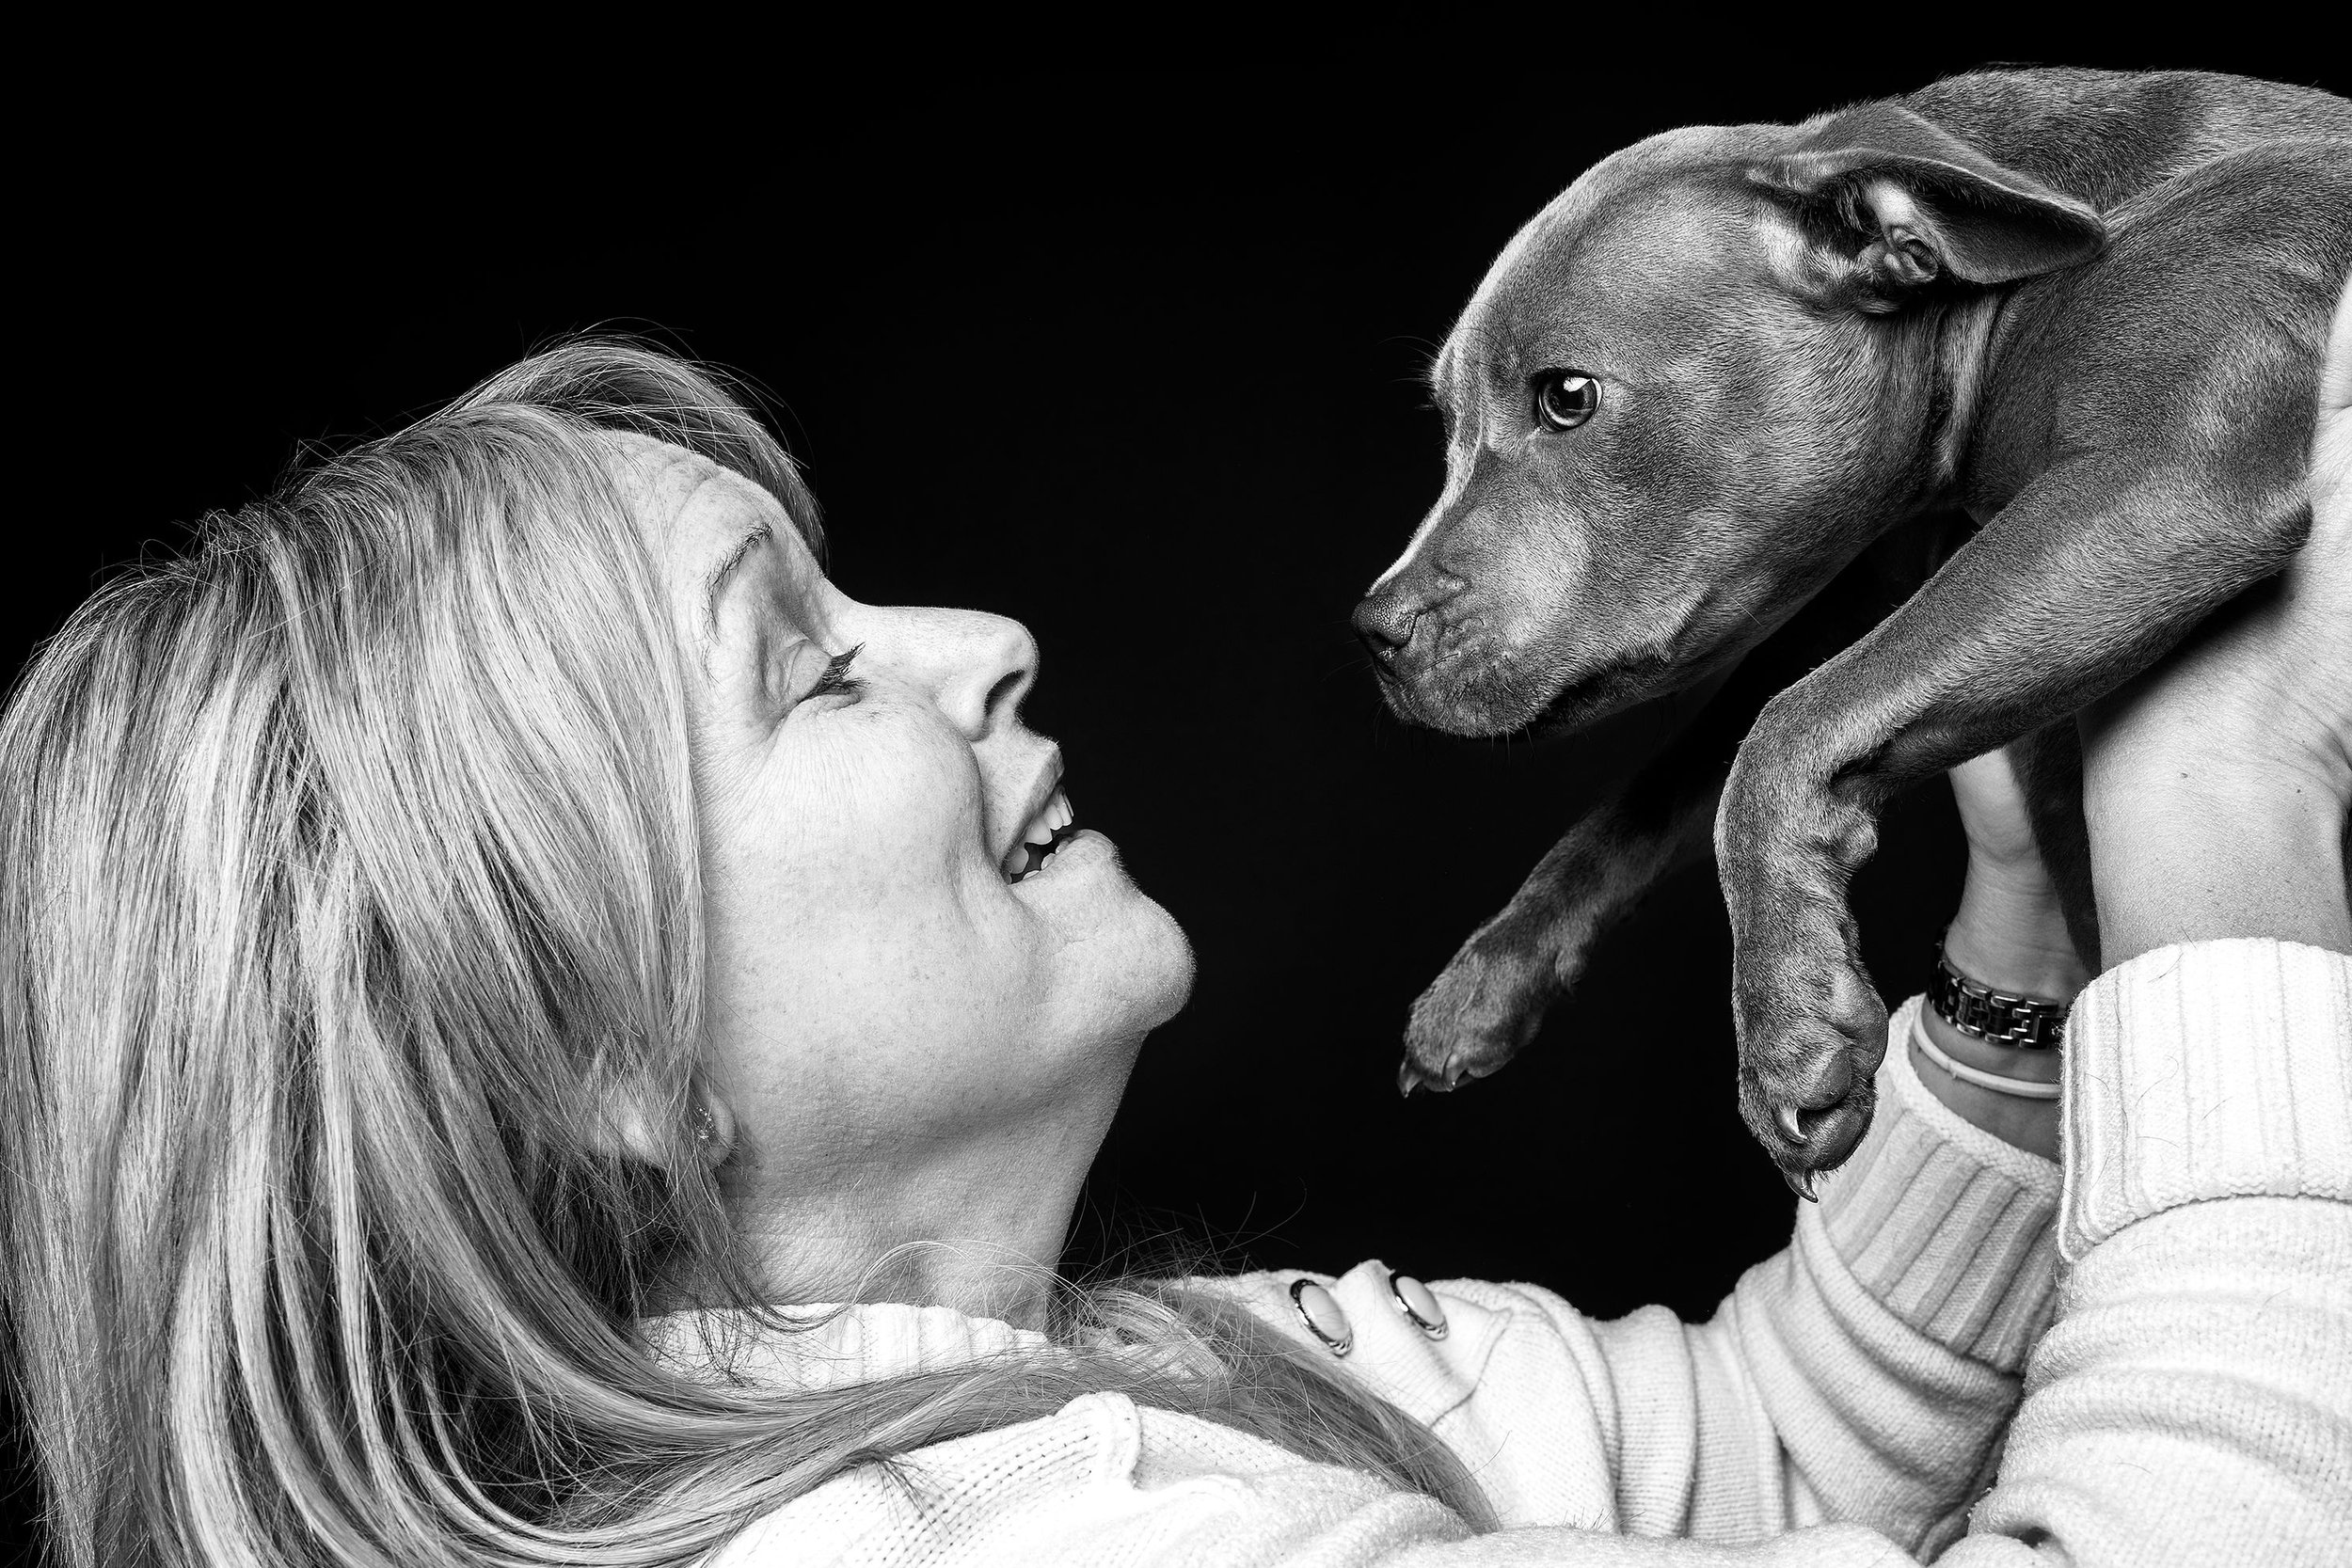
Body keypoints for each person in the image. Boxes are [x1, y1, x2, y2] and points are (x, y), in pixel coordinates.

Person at [1, 291, 2344, 1567]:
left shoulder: (1143, 1388)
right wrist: (2235, 870)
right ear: (585, 1042)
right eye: (805, 667)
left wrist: (2028, 924)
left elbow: (1779, 1464)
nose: (981, 632)